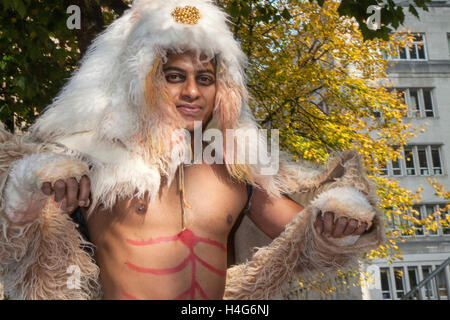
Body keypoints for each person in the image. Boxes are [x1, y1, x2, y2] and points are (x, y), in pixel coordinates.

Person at [0, 0, 383, 300]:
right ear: (144, 81)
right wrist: (32, 181)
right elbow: (19, 233)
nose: (192, 92)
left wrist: (338, 223)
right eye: (174, 77)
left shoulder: (235, 171)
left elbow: (304, 238)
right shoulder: (96, 161)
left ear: (223, 89)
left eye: (205, 79)